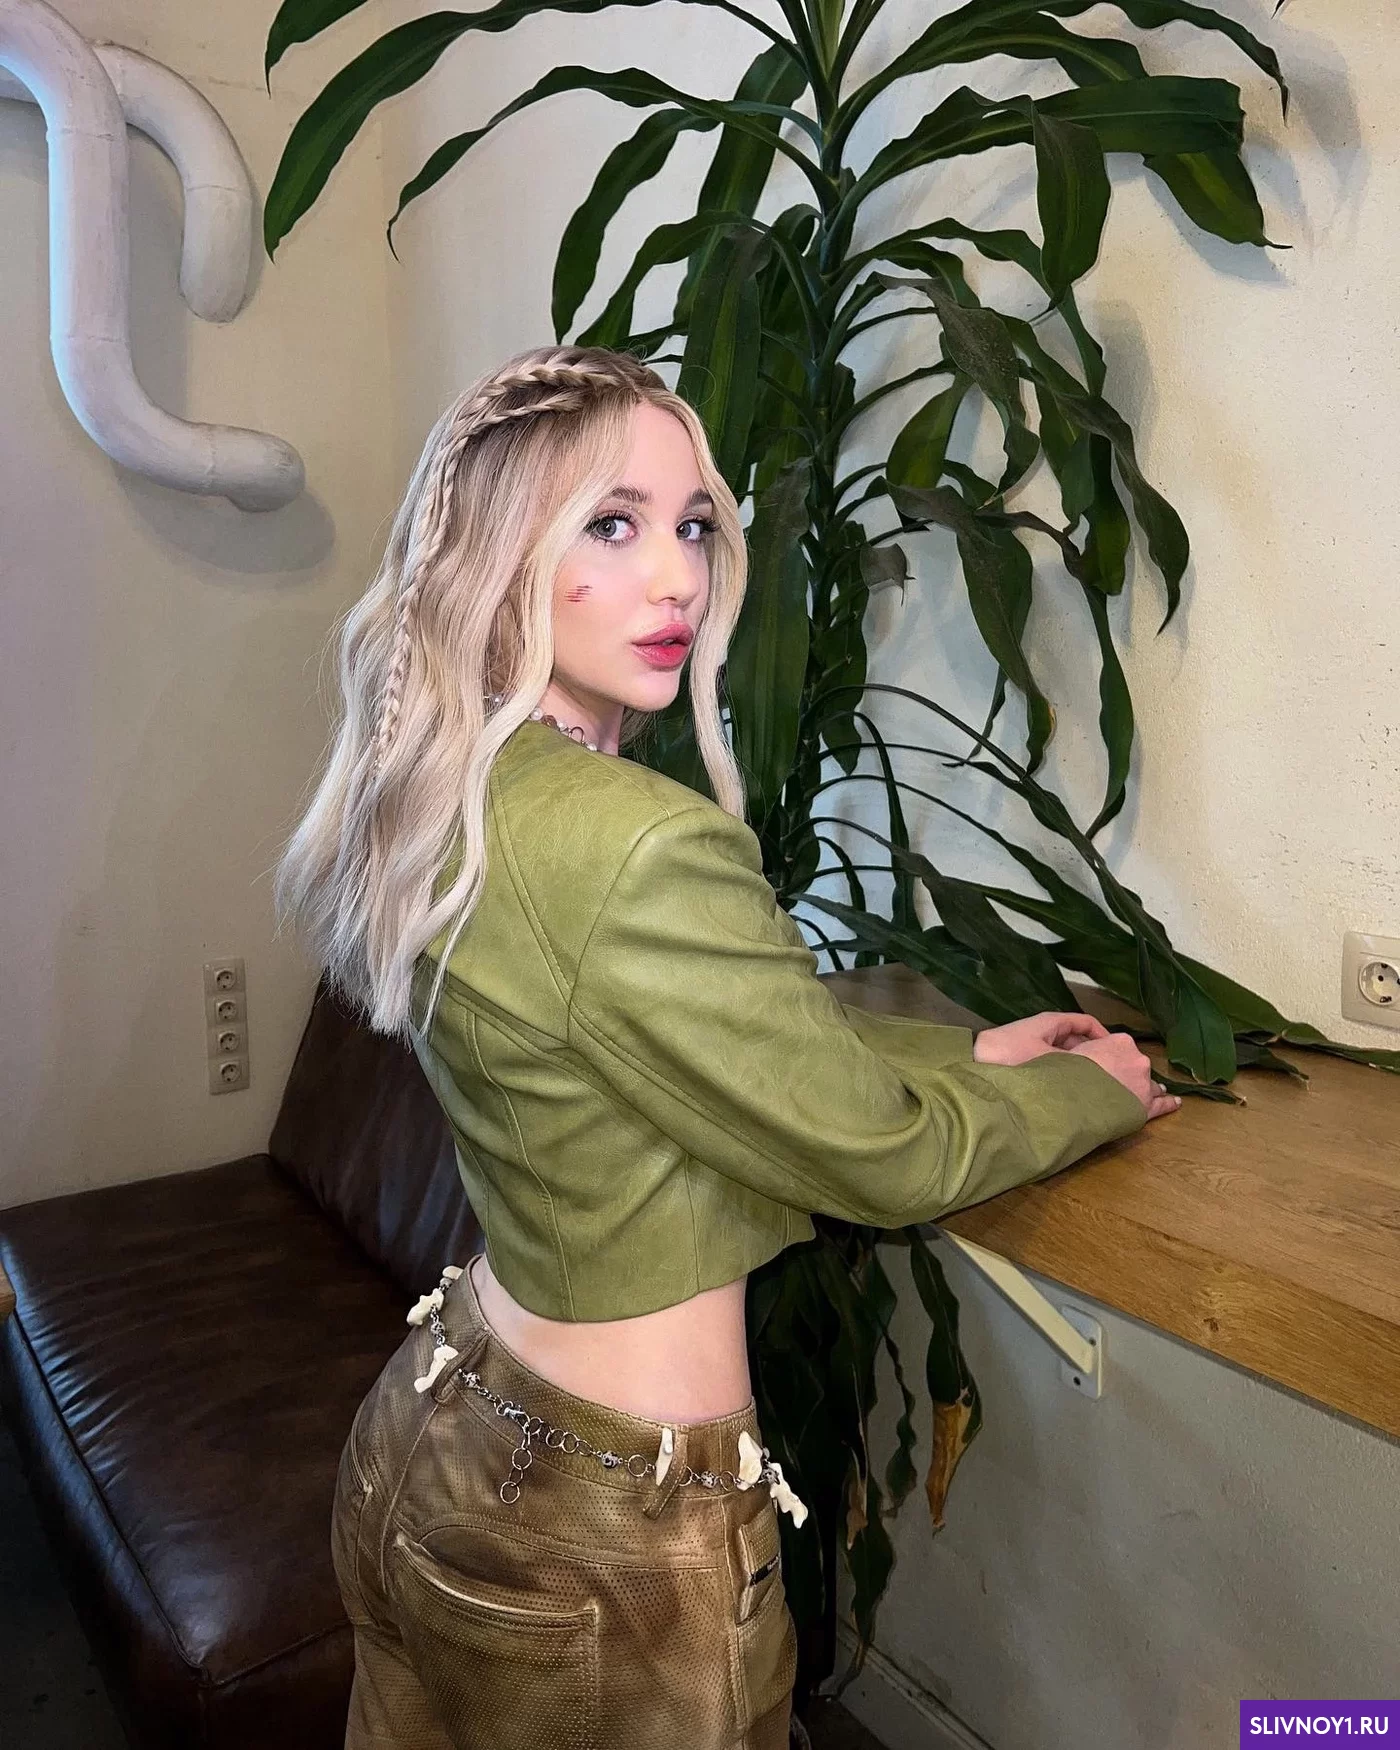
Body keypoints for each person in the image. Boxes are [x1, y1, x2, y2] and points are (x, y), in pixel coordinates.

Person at [274, 344, 1178, 1750]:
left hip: (445, 1423)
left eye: (694, 525)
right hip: (605, 1525)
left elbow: (727, 1052)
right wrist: (1089, 1091)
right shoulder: (635, 843)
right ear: (498, 554)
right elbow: (881, 1159)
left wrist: (974, 1061)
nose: (679, 578)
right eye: (612, 524)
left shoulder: (456, 793)